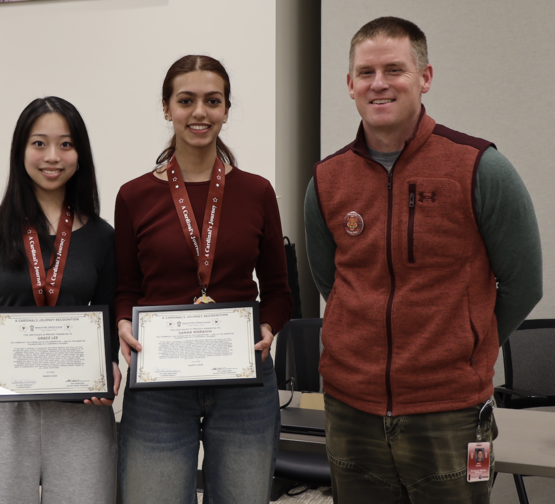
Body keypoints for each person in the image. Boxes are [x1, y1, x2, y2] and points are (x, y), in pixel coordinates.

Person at [304, 17, 543, 503]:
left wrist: (465, 342)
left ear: (425, 77)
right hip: (353, 409)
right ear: (349, 84)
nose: (380, 83)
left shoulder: (479, 167)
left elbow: (524, 283)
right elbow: (331, 281)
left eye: (395, 69)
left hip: (449, 412)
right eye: (366, 72)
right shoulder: (327, 180)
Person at [114, 55, 293, 503]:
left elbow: (278, 289)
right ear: (166, 107)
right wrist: (122, 323)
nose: (199, 113)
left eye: (212, 101)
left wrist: (268, 327)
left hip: (243, 381)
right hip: (159, 379)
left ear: (226, 110)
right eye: (186, 100)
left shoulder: (256, 191)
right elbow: (126, 288)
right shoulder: (134, 195)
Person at [0, 96, 119, 504]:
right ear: (20, 151)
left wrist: (107, 365)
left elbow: (110, 315)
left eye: (65, 144)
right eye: (39, 143)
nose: (52, 157)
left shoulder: (101, 236)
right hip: (3, 407)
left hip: (80, 408)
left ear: (80, 154)